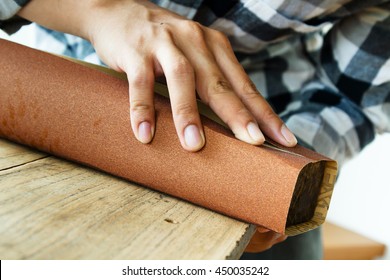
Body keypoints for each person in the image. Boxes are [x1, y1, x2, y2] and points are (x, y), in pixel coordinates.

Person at [1, 0, 389, 259]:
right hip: (44, 95)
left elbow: (355, 93)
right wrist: (97, 10)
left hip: (250, 133)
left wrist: (259, 181)